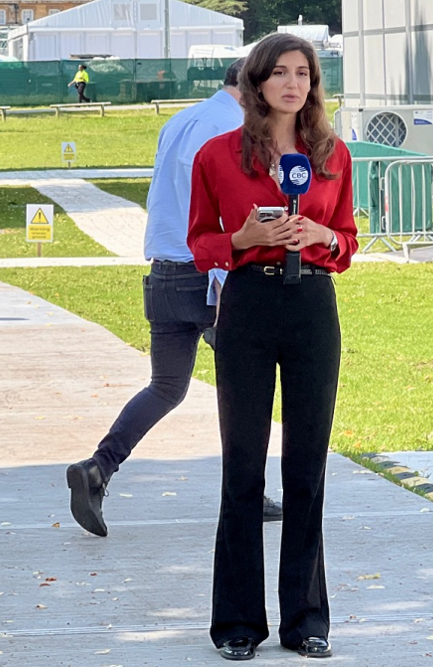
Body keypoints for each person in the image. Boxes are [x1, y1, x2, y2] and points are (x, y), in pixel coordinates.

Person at [187, 34, 358, 661]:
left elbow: (347, 240)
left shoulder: (331, 154)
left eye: (304, 74)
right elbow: (200, 241)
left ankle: (307, 620)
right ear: (257, 82)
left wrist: (321, 234)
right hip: (249, 306)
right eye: (280, 73)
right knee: (244, 466)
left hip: (312, 304)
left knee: (307, 464)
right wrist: (243, 236)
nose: (293, 84)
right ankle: (237, 622)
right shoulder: (218, 157)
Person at [66, 60, 284, 537]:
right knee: (246, 385)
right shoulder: (233, 129)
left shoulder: (180, 120)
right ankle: (246, 491)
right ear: (253, 87)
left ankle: (99, 467)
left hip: (164, 271)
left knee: (166, 387)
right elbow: (225, 211)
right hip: (211, 271)